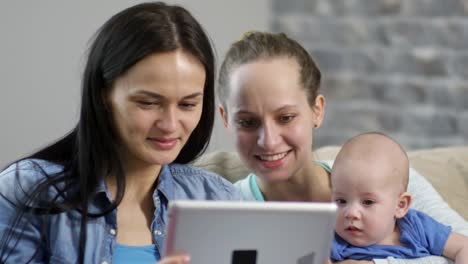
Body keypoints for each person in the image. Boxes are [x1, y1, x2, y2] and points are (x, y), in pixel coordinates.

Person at [0, 2, 240, 264]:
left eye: (187, 104)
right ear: (104, 95)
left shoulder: (218, 200)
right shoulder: (26, 192)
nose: (171, 124)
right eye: (148, 103)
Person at [216, 31, 468, 264]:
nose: (269, 141)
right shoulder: (224, 213)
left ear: (317, 110)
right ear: (226, 119)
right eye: (247, 122)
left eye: (286, 118)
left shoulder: (389, 176)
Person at [330, 132, 468, 263]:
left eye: (367, 202)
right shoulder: (334, 241)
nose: (351, 213)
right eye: (341, 201)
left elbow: (463, 247)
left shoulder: (417, 227)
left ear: (400, 205)